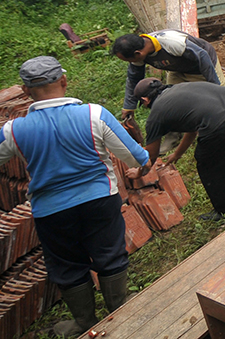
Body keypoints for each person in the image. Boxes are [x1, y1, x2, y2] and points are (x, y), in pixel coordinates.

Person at [0, 57, 150, 337]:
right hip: (100, 201)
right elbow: (136, 156)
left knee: (67, 264)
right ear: (64, 81)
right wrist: (141, 167)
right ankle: (119, 307)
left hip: (51, 210)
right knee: (109, 253)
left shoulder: (13, 130)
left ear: (25, 90)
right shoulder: (95, 115)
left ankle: (83, 321)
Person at [131, 79, 225, 221]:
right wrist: (177, 153)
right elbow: (192, 128)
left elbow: (150, 156)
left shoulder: (156, 114)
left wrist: (138, 173)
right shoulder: (181, 88)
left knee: (209, 164)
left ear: (145, 100)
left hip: (222, 123)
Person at [112, 29, 225, 122]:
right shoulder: (139, 55)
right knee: (171, 100)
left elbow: (202, 56)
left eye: (128, 60)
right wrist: (129, 106)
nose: (130, 63)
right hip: (176, 69)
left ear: (138, 53)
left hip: (203, 64)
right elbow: (133, 79)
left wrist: (215, 87)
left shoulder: (172, 42)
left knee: (223, 97)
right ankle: (178, 133)